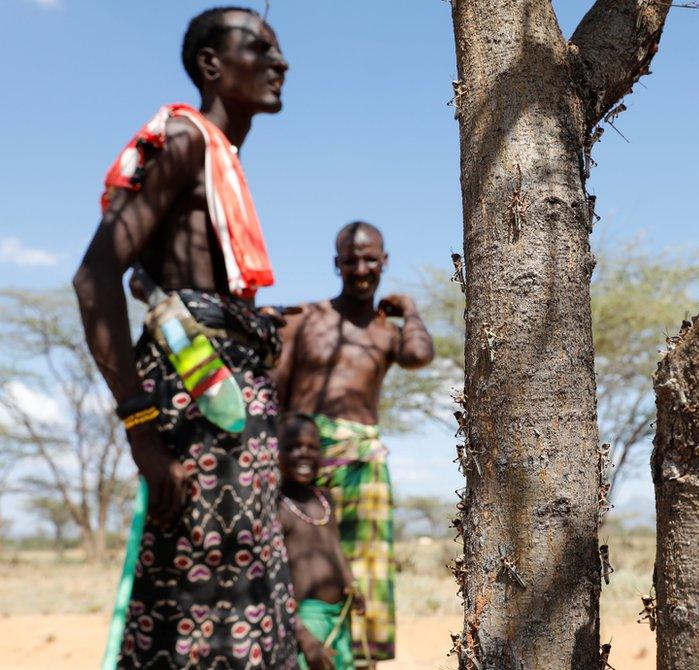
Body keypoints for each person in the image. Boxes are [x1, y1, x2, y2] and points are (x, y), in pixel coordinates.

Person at [73, 7, 297, 668]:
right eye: (260, 47)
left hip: (229, 407)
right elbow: (95, 279)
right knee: (193, 596)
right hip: (193, 409)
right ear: (210, 65)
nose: (280, 63)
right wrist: (141, 429)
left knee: (242, 586)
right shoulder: (186, 140)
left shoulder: (221, 159)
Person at [274, 221, 434, 665]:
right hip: (306, 457)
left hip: (364, 460)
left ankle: (358, 659)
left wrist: (411, 310)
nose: (360, 268)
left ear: (384, 262)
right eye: (351, 260)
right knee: (300, 559)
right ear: (336, 264)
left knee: (364, 573)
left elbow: (420, 356)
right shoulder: (305, 319)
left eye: (370, 259)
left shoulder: (388, 330)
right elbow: (276, 393)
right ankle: (299, 650)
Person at [278, 413, 364, 670]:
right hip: (305, 621)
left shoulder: (325, 498)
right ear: (276, 452)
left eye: (312, 447)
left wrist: (350, 583)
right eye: (292, 447)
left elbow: (334, 547)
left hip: (339, 615)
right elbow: (275, 580)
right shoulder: (277, 505)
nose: (303, 454)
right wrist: (303, 636)